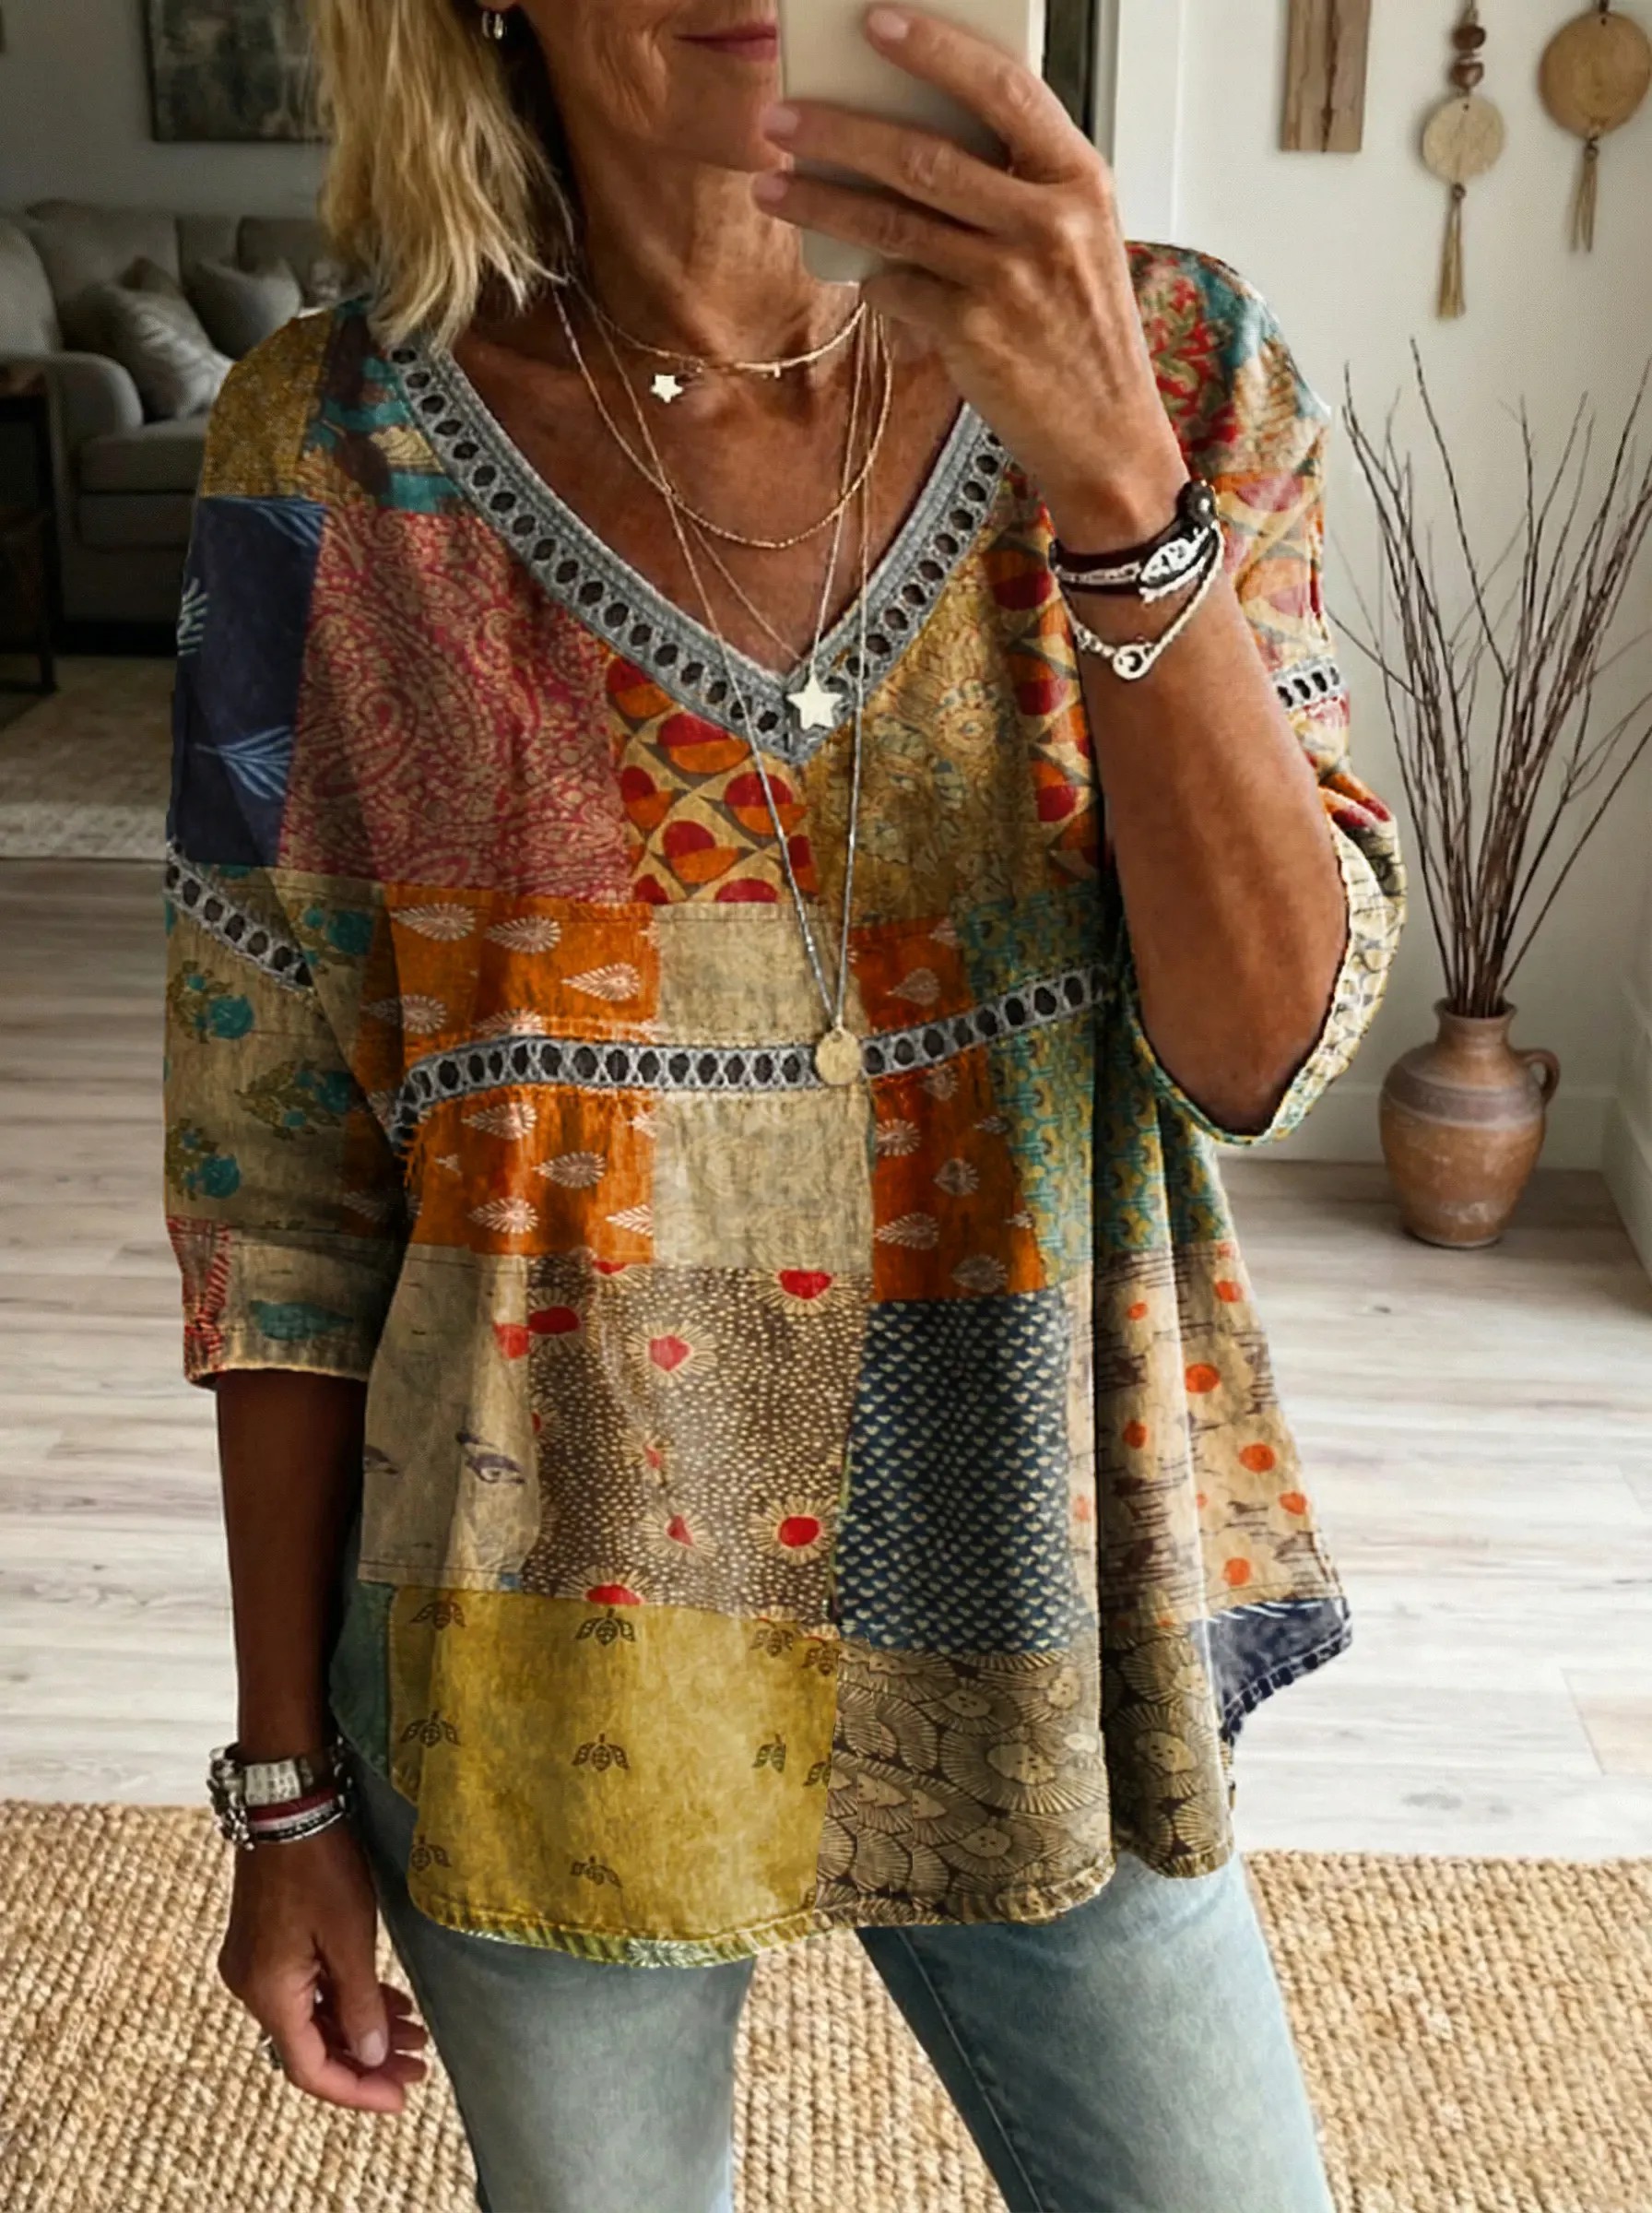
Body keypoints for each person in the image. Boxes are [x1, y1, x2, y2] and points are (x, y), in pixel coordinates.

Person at [163, 3, 1407, 2207]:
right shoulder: (333, 455)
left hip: (1040, 1596)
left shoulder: (1169, 366)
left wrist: (1113, 488)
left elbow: (1260, 1052)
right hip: (538, 1638)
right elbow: (276, 1190)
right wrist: (285, 1788)